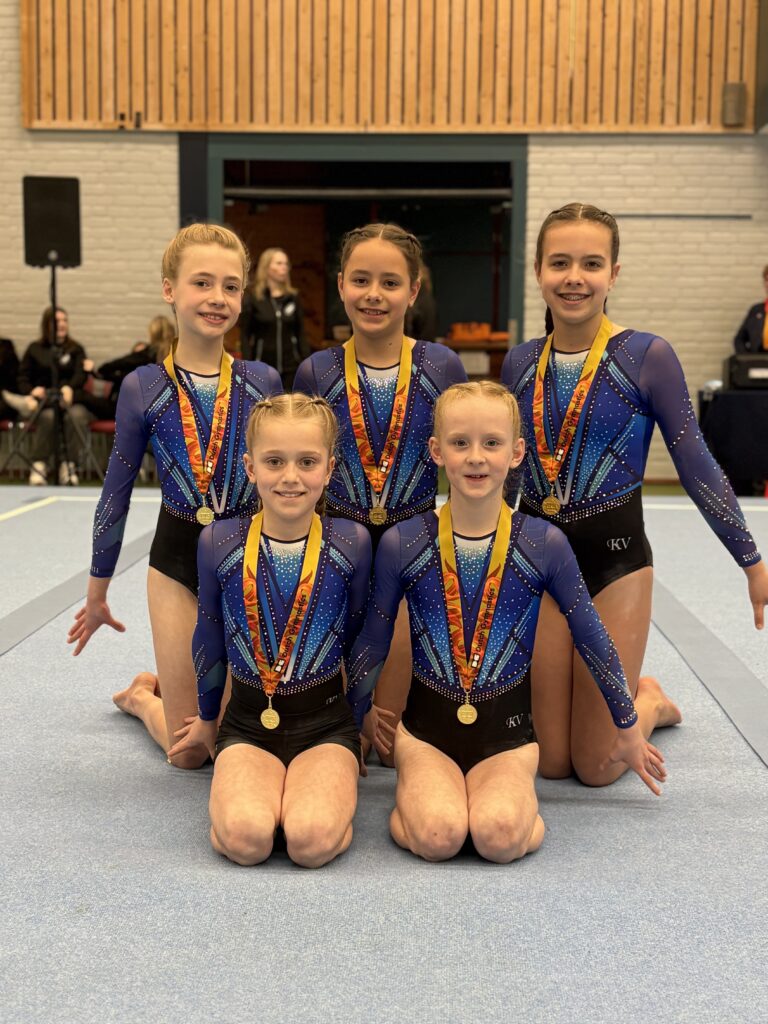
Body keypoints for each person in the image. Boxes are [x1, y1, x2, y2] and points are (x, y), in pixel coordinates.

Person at [501, 202, 768, 787]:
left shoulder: (647, 356)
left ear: (614, 273)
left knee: (596, 766)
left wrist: (751, 561)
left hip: (615, 562)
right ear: (538, 271)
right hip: (540, 563)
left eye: (591, 264)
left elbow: (695, 463)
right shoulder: (520, 362)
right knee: (550, 761)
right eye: (560, 263)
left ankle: (651, 702)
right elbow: (512, 474)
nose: (574, 277)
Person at [346, 382, 665, 864]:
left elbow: (591, 635)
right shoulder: (403, 542)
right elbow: (374, 639)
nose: (476, 457)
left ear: (516, 453)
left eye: (491, 443)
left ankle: (647, 705)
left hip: (508, 738)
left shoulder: (544, 542)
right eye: (460, 442)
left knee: (498, 838)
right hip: (426, 735)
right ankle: (426, 805)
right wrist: (357, 719)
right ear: (436, 451)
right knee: (438, 837)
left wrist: (626, 722)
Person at [66, 223, 282, 769]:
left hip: (246, 559)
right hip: (176, 563)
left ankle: (178, 684)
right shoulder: (143, 386)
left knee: (241, 734)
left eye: (231, 286)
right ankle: (144, 697)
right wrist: (97, 593)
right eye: (201, 283)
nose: (217, 298)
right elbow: (114, 495)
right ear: (170, 289)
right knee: (191, 752)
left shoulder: (263, 381)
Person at [167, 394, 379, 867]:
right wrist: (207, 717)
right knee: (246, 842)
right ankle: (145, 700)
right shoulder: (219, 540)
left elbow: (358, 637)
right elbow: (210, 634)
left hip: (325, 725)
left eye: (307, 462)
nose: (290, 477)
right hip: (247, 725)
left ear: (329, 468)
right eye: (274, 461)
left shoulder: (352, 542)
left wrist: (360, 715)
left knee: (310, 843)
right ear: (250, 467)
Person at [293, 223, 467, 765]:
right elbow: (297, 479)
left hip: (412, 557)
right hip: (336, 559)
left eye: (390, 283)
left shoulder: (441, 366)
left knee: (386, 749)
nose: (374, 294)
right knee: (344, 739)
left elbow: (468, 465)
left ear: (413, 291)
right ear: (341, 284)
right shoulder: (316, 371)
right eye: (361, 280)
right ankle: (146, 695)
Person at [17, 307, 92, 485]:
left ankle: (69, 466)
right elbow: (22, 378)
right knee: (49, 417)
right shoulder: (35, 349)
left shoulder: (75, 349)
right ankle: (39, 464)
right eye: (57, 321)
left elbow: (80, 374)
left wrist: (70, 387)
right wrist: (31, 390)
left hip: (70, 401)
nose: (62, 324)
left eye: (64, 320)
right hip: (45, 403)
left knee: (77, 415)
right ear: (47, 325)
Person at [240, 248, 309, 389]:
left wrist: (306, 363)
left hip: (291, 369)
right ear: (266, 267)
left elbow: (301, 333)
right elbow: (245, 335)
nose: (284, 267)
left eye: (286, 263)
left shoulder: (293, 298)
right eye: (279, 263)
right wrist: (248, 366)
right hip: (262, 369)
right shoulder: (254, 299)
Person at [733, 264, 768, 353]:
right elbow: (739, 339)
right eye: (767, 280)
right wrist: (746, 358)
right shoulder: (756, 310)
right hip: (759, 359)